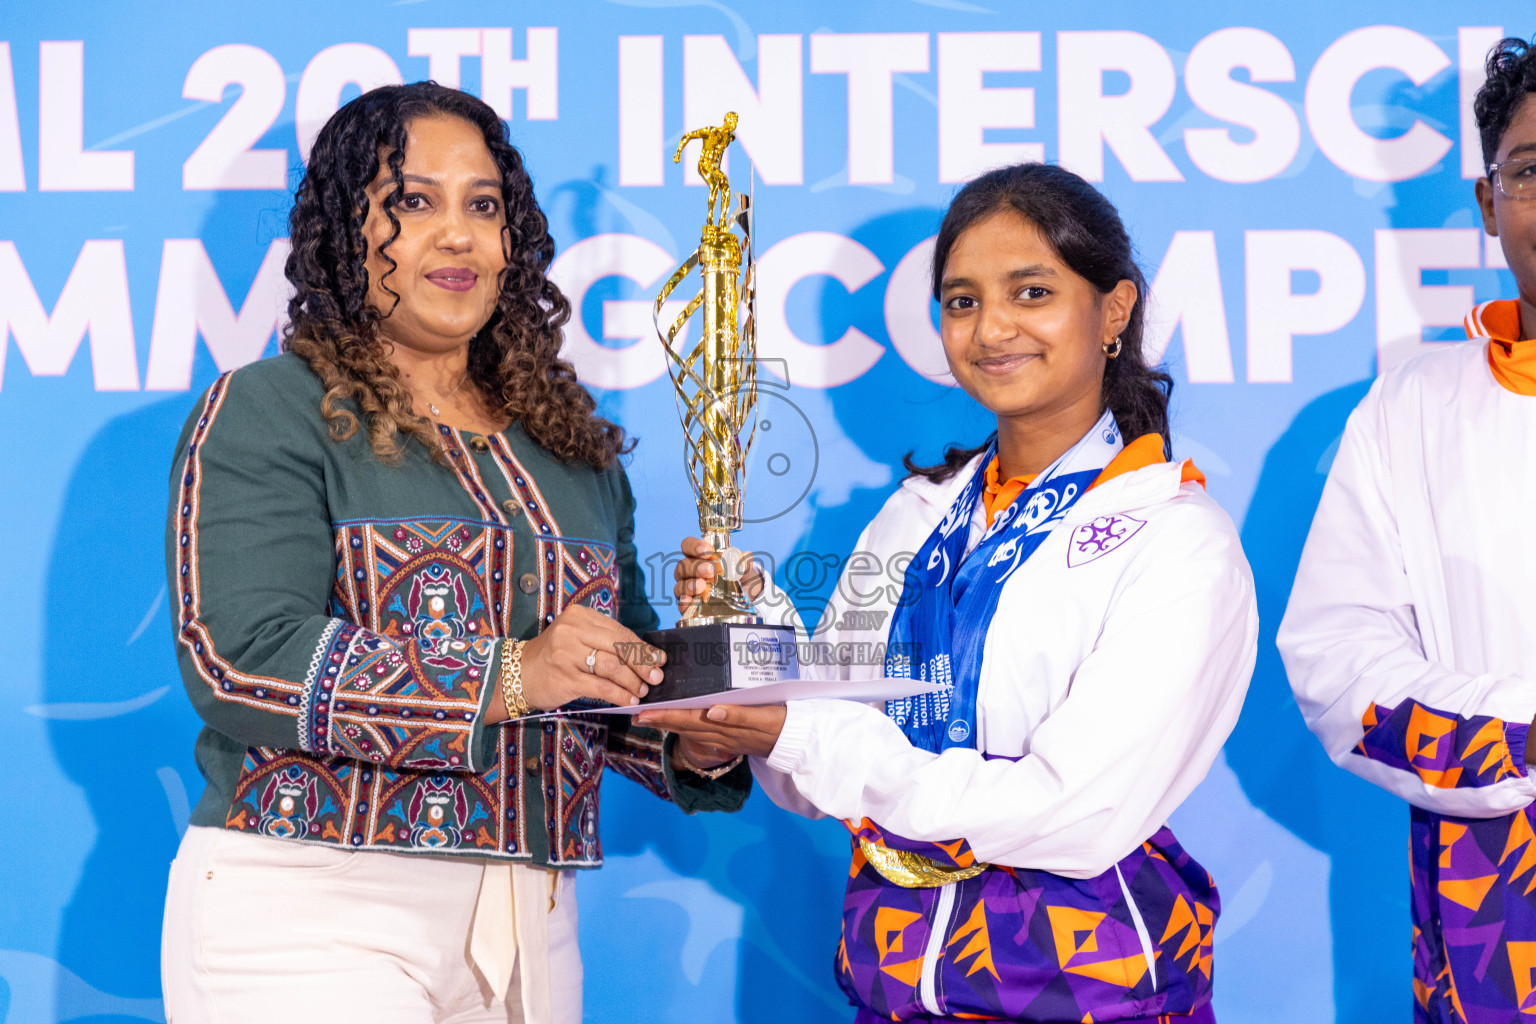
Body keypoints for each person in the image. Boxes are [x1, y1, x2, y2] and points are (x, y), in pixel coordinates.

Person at [159, 82, 749, 1024]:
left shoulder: (569, 446)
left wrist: (701, 732)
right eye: (413, 202)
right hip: (311, 905)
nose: (460, 235)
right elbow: (240, 659)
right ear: (344, 231)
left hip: (530, 917)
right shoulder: (271, 408)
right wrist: (512, 675)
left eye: (484, 205)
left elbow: (605, 685)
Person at [642, 163, 1258, 1023]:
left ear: (1114, 309)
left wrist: (807, 733)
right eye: (962, 301)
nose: (991, 328)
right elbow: (816, 776)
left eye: (1031, 291)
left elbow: (1078, 816)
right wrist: (754, 643)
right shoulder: (916, 513)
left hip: (1088, 994)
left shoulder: (1175, 538)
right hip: (891, 987)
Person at [1278, 36, 1536, 1024]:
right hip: (1492, 948)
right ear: (1486, 204)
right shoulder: (1412, 407)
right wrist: (1523, 727)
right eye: (1531, 169)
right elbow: (1336, 660)